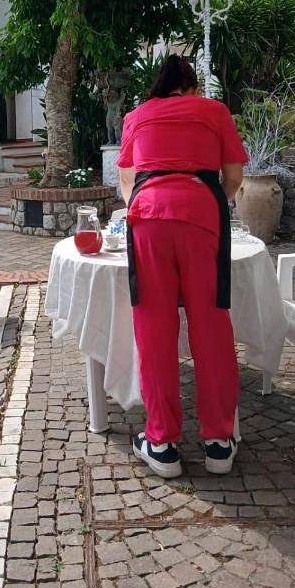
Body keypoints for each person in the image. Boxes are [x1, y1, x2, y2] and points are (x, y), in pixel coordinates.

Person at [117, 55, 248, 479]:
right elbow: (232, 178)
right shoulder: (213, 111)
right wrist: (208, 203)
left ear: (159, 87)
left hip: (148, 216)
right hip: (200, 216)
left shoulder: (136, 116)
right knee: (210, 324)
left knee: (154, 328)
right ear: (190, 86)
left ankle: (162, 444)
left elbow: (127, 184)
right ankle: (218, 442)